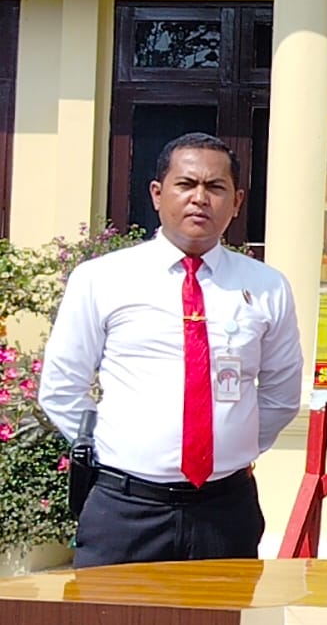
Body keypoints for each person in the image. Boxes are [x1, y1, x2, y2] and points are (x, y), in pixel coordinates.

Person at [40, 133, 303, 568]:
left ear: (237, 202)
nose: (200, 198)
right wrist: (115, 451)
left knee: (223, 615)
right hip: (126, 508)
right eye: (186, 184)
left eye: (215, 187)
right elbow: (62, 387)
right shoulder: (102, 279)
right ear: (157, 194)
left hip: (225, 509)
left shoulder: (266, 286)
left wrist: (230, 447)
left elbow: (281, 394)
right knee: (110, 614)